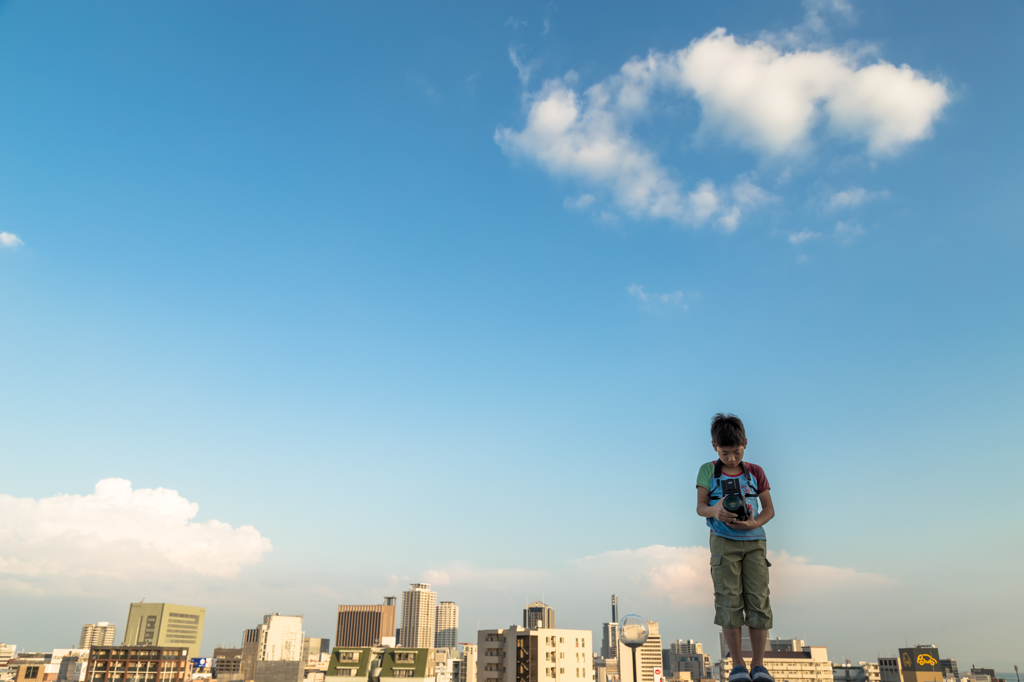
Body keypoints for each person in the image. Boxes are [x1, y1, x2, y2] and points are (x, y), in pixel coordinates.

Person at [696, 413, 776, 682]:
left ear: (745, 443)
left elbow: (770, 510)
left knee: (758, 601)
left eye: (736, 452)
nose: (731, 458)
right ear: (714, 447)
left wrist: (753, 522)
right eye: (725, 452)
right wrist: (716, 510)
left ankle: (758, 665)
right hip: (722, 540)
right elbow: (700, 507)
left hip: (754, 541)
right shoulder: (708, 470)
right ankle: (738, 666)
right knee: (728, 601)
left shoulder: (756, 472)